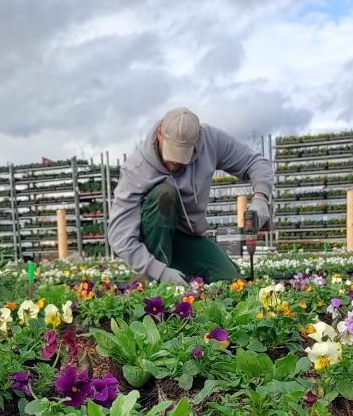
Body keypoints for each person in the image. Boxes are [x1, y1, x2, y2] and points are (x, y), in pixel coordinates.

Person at [107, 107, 273, 284]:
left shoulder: (211, 140)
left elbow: (255, 163)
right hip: (153, 238)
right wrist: (158, 271)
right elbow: (119, 235)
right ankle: (151, 283)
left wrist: (261, 198)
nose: (175, 163)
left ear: (197, 140)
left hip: (187, 238)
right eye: (171, 155)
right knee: (164, 194)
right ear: (159, 135)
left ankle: (180, 275)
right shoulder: (137, 168)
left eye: (182, 156)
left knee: (230, 282)